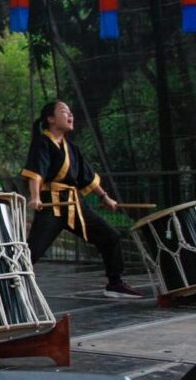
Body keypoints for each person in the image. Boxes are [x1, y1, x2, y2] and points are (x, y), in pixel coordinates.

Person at [21, 100, 143, 299]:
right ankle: (9, 283)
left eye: (70, 112)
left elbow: (87, 176)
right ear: (50, 119)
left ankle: (115, 282)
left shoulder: (72, 148)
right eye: (64, 112)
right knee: (32, 250)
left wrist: (105, 197)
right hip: (52, 204)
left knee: (109, 236)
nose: (70, 115)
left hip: (74, 203)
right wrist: (35, 197)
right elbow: (36, 172)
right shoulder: (42, 142)